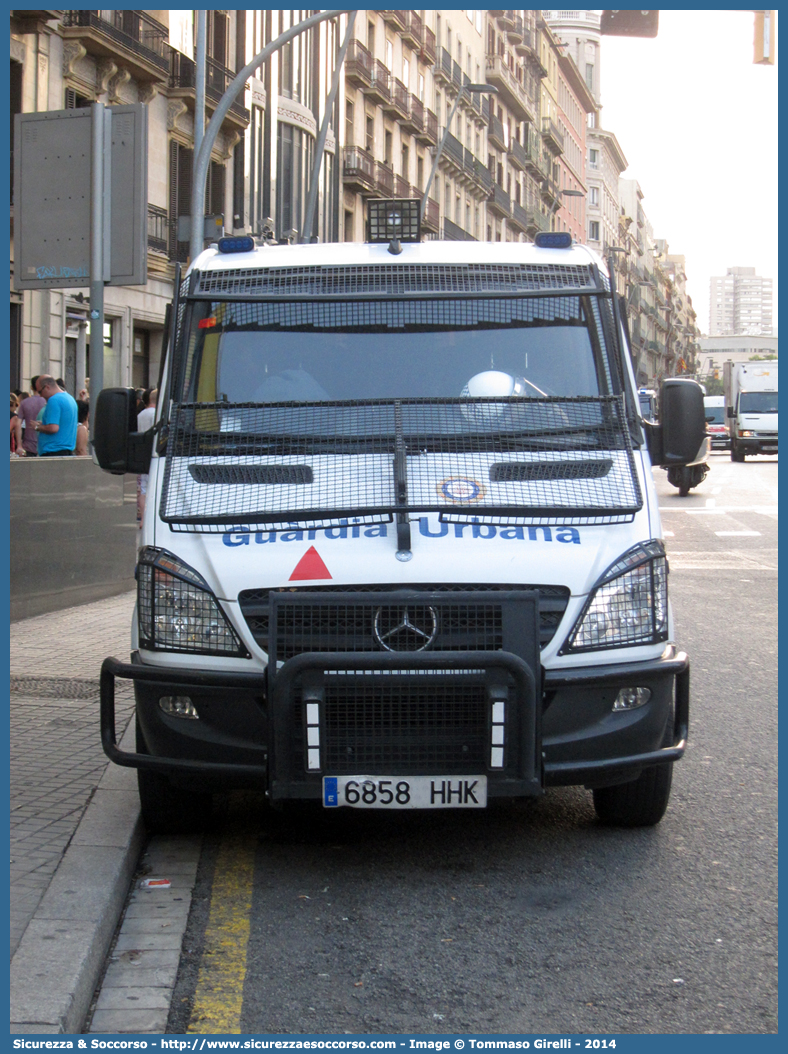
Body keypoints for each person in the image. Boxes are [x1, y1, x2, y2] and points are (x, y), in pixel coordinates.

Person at [31, 375, 78, 456]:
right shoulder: (70, 398)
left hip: (53, 451)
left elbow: (53, 428)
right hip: (67, 451)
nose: (41, 396)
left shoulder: (53, 400)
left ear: (47, 387)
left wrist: (37, 427)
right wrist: (43, 423)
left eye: (40, 392)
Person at [136, 388, 158, 524]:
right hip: (154, 455)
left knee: (143, 489)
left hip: (141, 455)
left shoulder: (140, 415)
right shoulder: (156, 414)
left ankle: (143, 519)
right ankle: (150, 519)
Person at [16, 376, 46, 457]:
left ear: (31, 387)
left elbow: (18, 424)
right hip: (45, 445)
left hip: (28, 446)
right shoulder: (47, 402)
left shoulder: (25, 403)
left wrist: (19, 445)